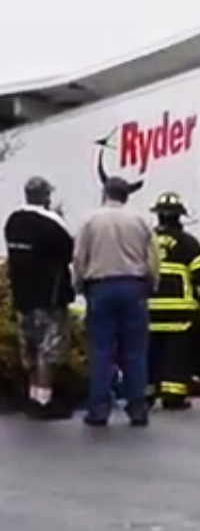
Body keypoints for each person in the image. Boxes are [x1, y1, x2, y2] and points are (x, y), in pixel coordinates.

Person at [73, 177, 159, 427]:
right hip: (133, 287)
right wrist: (150, 285)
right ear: (126, 196)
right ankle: (137, 408)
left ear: (105, 193)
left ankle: (99, 409)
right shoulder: (141, 221)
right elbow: (153, 258)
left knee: (101, 351)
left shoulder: (90, 221)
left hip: (100, 287)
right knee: (135, 351)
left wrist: (78, 283)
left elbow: (79, 257)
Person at [3, 177, 75, 420]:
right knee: (49, 349)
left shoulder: (13, 221)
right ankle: (44, 400)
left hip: (22, 294)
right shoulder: (52, 223)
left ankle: (33, 396)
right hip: (49, 295)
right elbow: (69, 252)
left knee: (30, 348)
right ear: (45, 196)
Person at [147, 192, 200, 410]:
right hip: (180, 312)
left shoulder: (146, 240)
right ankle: (173, 396)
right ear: (179, 217)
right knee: (177, 354)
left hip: (149, 308)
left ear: (158, 216)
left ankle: (146, 392)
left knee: (149, 352)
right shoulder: (189, 243)